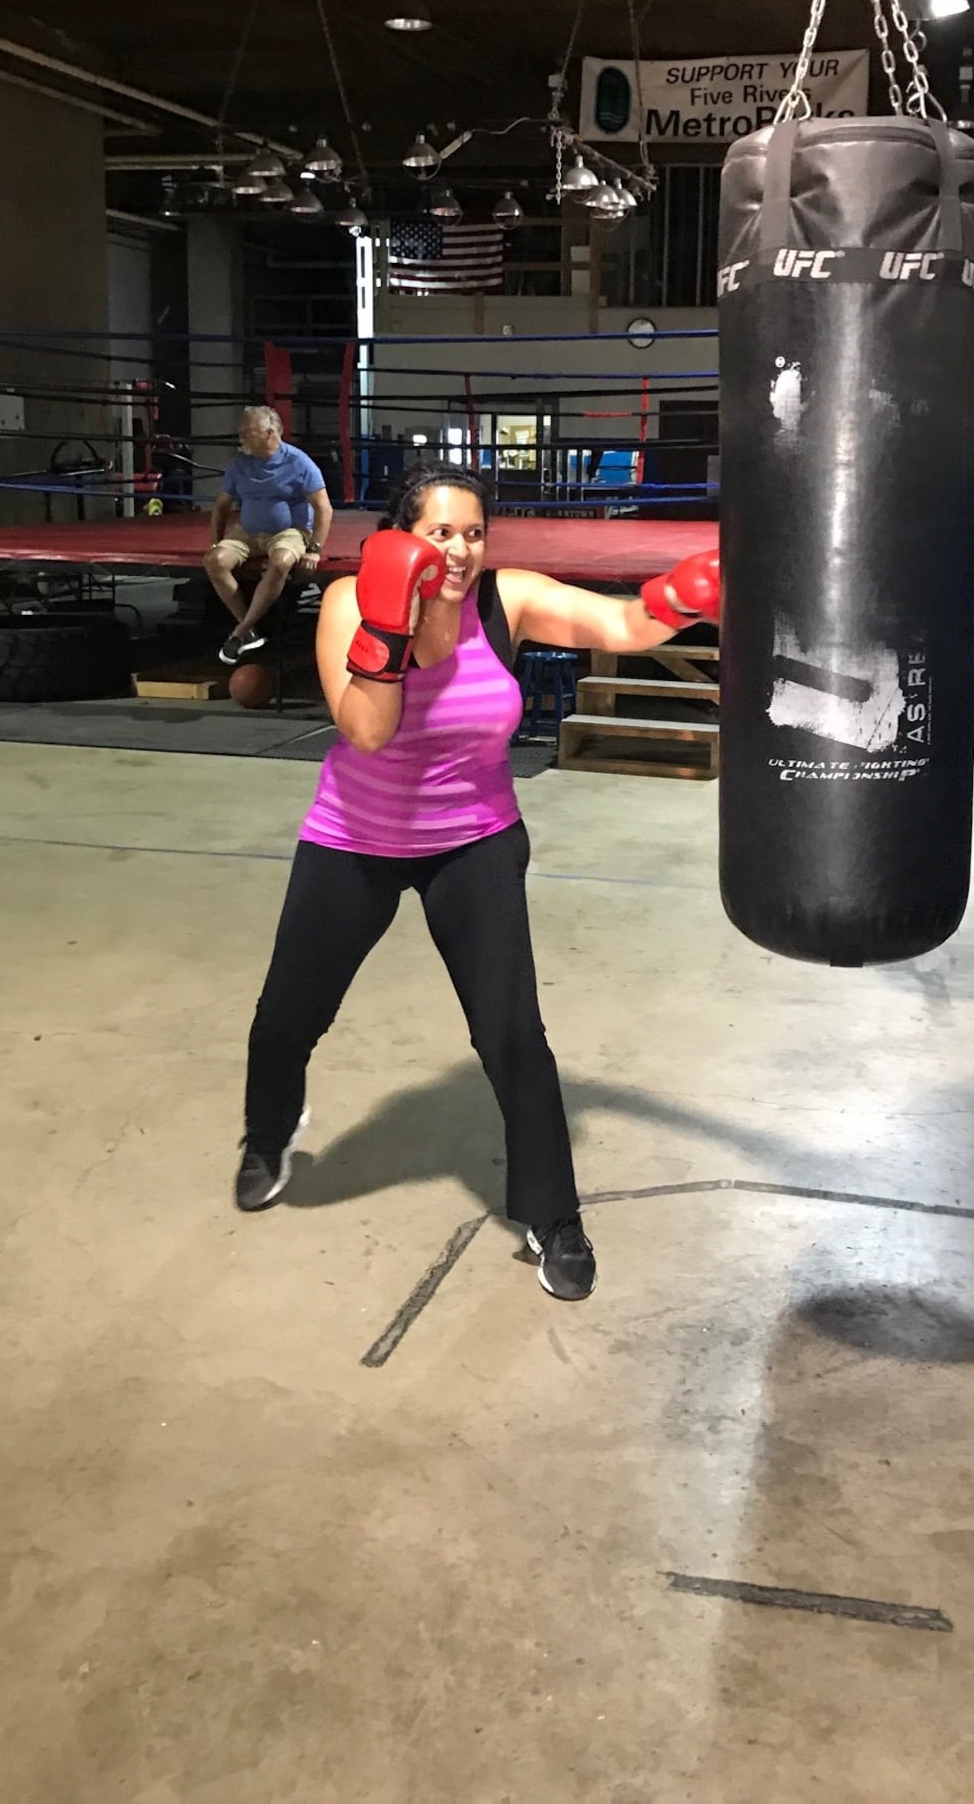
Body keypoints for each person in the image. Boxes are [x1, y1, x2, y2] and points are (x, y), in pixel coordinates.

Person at [234, 462, 721, 1302]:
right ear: (401, 537)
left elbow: (625, 622)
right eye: (440, 533)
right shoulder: (352, 599)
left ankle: (553, 1214)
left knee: (513, 1036)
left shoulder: (508, 599)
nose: (459, 550)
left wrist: (688, 592)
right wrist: (391, 623)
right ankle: (268, 1135)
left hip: (476, 841)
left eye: (472, 533)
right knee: (287, 1017)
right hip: (354, 837)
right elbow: (367, 731)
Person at [205, 406, 334, 664]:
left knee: (282, 561)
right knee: (214, 561)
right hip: (247, 532)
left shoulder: (298, 462)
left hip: (289, 531)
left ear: (269, 433)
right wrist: (216, 542)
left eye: (247, 431)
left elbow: (324, 507)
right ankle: (248, 629)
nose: (241, 436)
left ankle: (241, 631)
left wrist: (314, 549)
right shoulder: (240, 464)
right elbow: (221, 506)